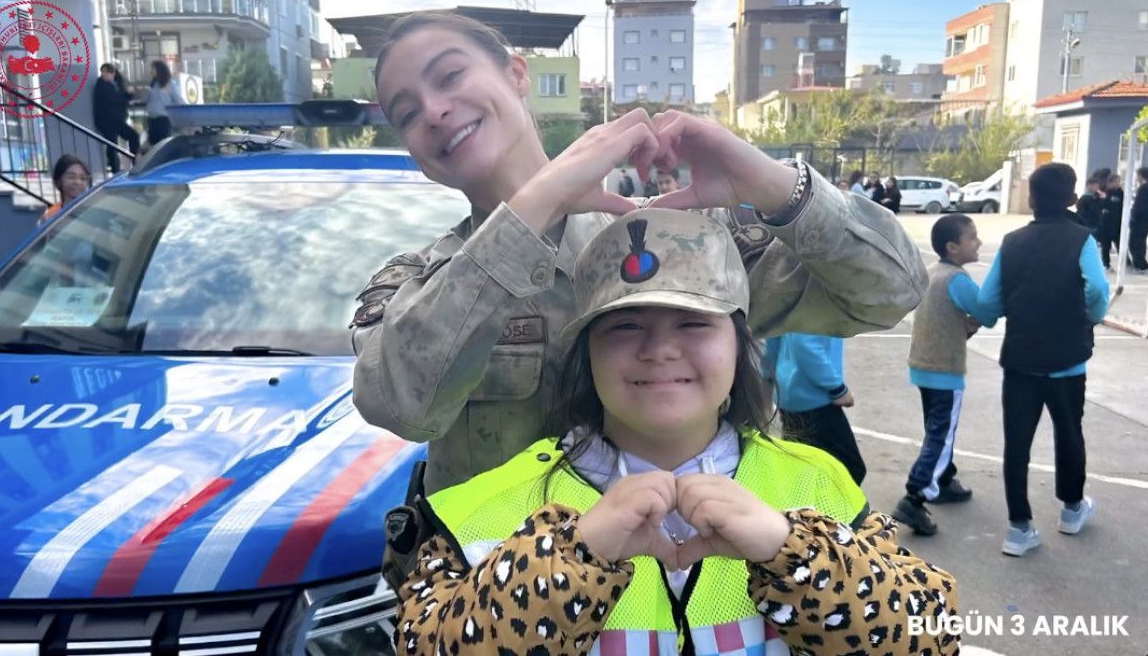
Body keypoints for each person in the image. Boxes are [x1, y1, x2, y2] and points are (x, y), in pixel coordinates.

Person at [351, 11, 928, 494]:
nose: (434, 110)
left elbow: (890, 291)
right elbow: (403, 407)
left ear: (517, 74)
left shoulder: (681, 240)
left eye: (450, 75)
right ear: (414, 152)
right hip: (511, 591)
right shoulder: (415, 288)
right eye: (407, 113)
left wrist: (773, 184)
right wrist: (536, 206)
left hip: (689, 579)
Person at [392, 208, 961, 655]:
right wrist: (569, 561)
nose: (660, 349)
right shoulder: (487, 509)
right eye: (625, 325)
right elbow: (424, 642)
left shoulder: (816, 485)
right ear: (586, 354)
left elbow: (931, 635)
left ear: (740, 345)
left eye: (693, 322)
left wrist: (794, 553)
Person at [974, 162, 1109, 557]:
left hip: (1020, 359)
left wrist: (989, 316)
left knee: (1017, 443)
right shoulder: (1082, 239)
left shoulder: (1012, 242)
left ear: (1031, 199)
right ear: (1072, 198)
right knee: (1069, 432)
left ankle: (1019, 527)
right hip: (1068, 359)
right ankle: (1071, 509)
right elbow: (1097, 290)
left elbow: (987, 302)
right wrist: (1091, 316)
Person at [892, 214, 984, 537]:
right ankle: (915, 496)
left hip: (923, 366)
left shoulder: (932, 272)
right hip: (945, 370)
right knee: (940, 435)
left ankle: (943, 479)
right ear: (953, 247)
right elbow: (985, 309)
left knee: (937, 428)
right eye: (972, 237)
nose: (978, 242)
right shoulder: (958, 279)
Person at [763, 333, 865, 485]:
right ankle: (820, 500)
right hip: (812, 397)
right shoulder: (814, 316)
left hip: (789, 392)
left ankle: (800, 497)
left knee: (800, 466)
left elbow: (773, 338)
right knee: (850, 467)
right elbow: (804, 344)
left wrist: (768, 375)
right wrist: (837, 389)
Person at [93, 63, 140, 173]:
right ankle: (115, 169)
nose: (103, 74)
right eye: (102, 72)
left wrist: (128, 95)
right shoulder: (101, 86)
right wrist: (128, 95)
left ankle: (134, 162)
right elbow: (116, 99)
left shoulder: (117, 84)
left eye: (106, 72)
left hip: (117, 120)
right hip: (107, 121)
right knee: (112, 145)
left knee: (133, 136)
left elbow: (120, 99)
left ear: (112, 73)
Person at [38, 154, 91, 226]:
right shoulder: (50, 216)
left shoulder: (94, 209)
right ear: (59, 180)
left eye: (83, 178)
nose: (78, 182)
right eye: (71, 177)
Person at [145, 60, 183, 147]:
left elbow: (178, 100)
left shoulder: (170, 84)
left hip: (163, 119)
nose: (151, 71)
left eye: (153, 68)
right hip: (152, 119)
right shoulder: (153, 84)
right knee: (153, 145)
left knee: (162, 144)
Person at [1099, 173, 1124, 269]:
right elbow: (1100, 205)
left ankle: (1125, 263)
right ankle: (1106, 264)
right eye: (1116, 182)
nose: (1118, 184)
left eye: (1119, 182)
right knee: (1106, 245)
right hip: (1106, 223)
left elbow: (1121, 205)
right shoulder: (1103, 191)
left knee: (1120, 244)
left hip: (1117, 223)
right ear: (1110, 182)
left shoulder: (1120, 192)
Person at [1129, 166, 1148, 271]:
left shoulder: (1143, 188)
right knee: (1140, 241)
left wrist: (1133, 216)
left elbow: (1140, 205)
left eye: (1137, 175)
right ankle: (1140, 263)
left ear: (1141, 176)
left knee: (1135, 242)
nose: (1136, 177)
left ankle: (1140, 264)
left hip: (1140, 219)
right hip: (1144, 219)